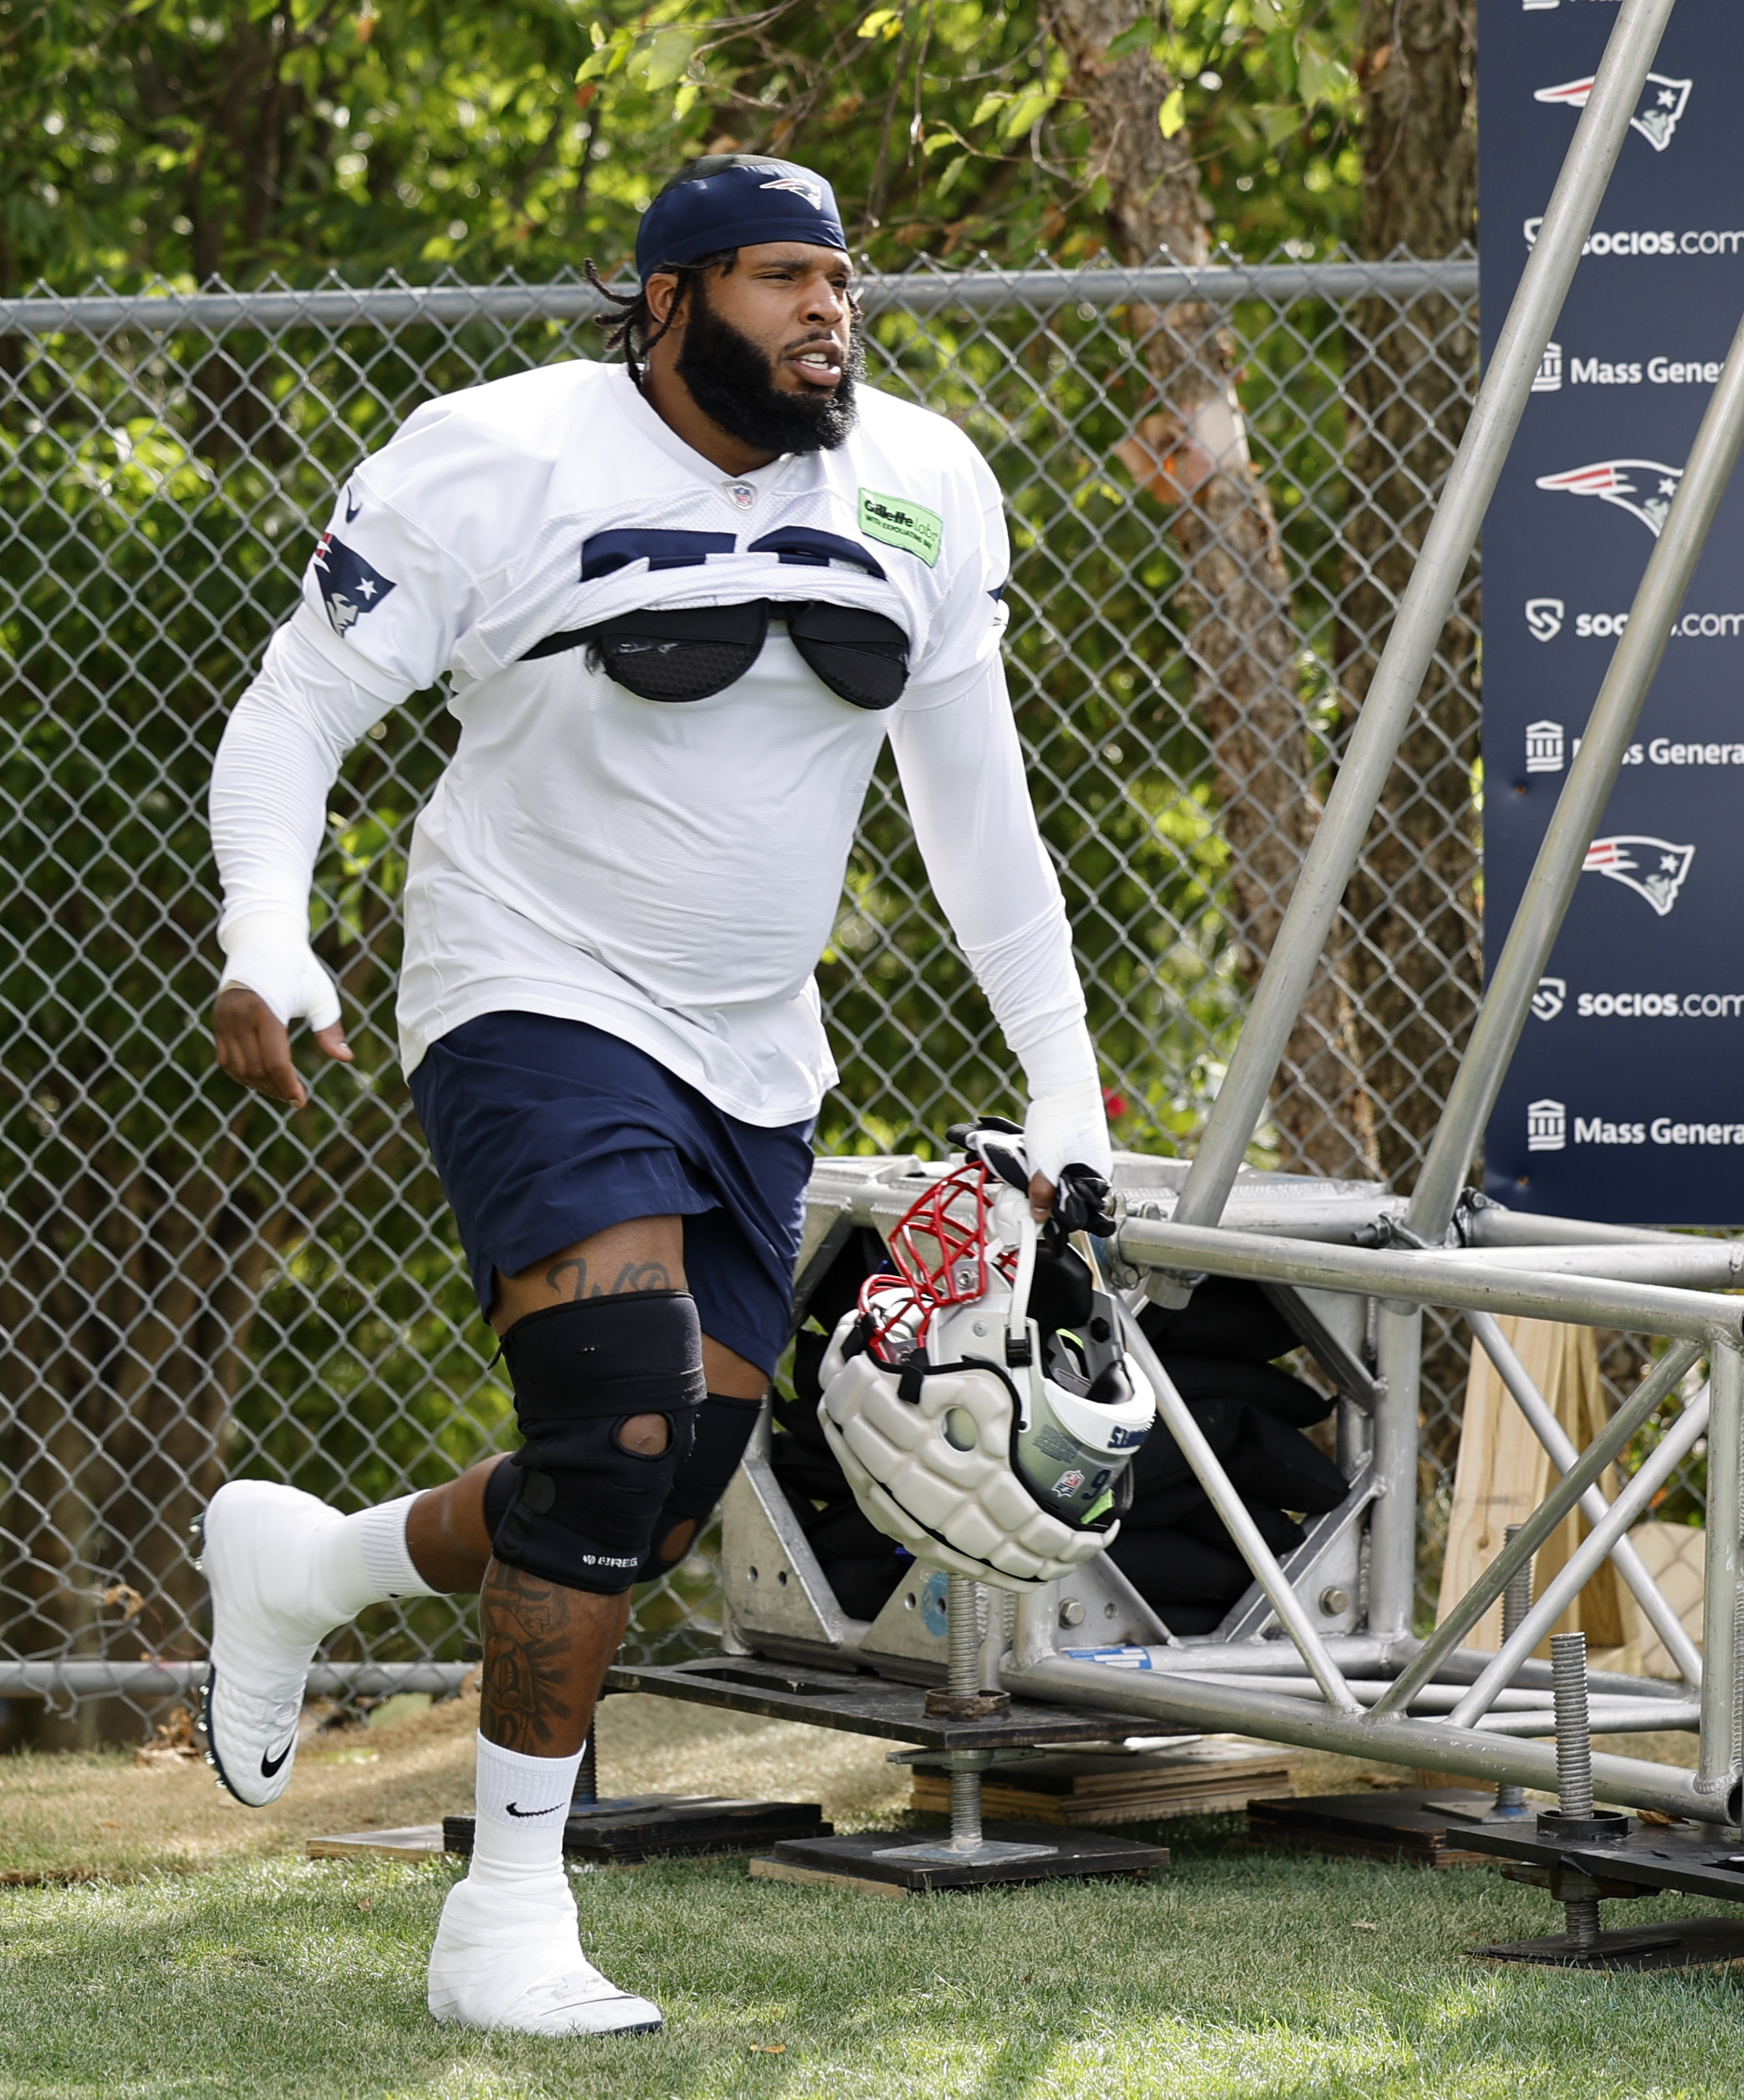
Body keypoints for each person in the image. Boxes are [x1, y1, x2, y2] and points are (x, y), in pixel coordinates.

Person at [194, 154, 1108, 2039]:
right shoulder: (497, 456)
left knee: (660, 1487)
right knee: (612, 1422)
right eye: (785, 280)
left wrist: (1067, 1082)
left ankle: (307, 1565)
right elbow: (296, 710)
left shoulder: (923, 483)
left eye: (844, 280)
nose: (829, 314)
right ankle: (503, 1918)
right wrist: (267, 932)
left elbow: (978, 816)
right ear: (675, 297)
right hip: (525, 981)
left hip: (756, 1037)